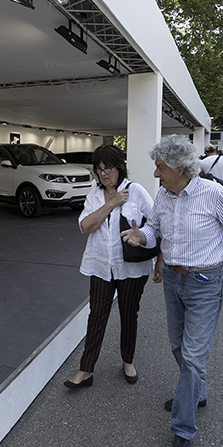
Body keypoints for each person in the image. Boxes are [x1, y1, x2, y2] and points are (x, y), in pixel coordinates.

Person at [121, 136, 223, 447]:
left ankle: (183, 430)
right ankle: (196, 393)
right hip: (174, 281)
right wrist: (142, 237)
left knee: (193, 357)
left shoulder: (213, 194)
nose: (156, 174)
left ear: (181, 168)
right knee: (178, 348)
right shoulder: (164, 196)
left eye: (161, 167)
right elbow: (154, 229)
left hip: (204, 282)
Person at [64, 145, 156, 389]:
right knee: (96, 316)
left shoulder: (135, 191)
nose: (104, 174)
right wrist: (111, 203)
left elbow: (156, 223)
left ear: (120, 167)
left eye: (109, 168)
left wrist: (157, 255)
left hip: (132, 268)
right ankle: (86, 369)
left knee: (129, 315)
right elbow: (86, 226)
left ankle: (128, 361)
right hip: (101, 266)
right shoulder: (94, 196)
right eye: (99, 169)